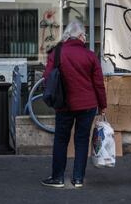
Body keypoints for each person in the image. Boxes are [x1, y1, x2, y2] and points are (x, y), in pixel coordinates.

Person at [41, 20, 107, 189]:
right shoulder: (90, 55)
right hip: (88, 105)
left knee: (61, 140)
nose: (85, 38)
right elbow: (98, 83)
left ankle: (58, 178)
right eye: (84, 35)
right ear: (79, 36)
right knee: (82, 140)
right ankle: (78, 179)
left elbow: (47, 77)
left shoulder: (56, 53)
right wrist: (102, 105)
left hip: (64, 105)